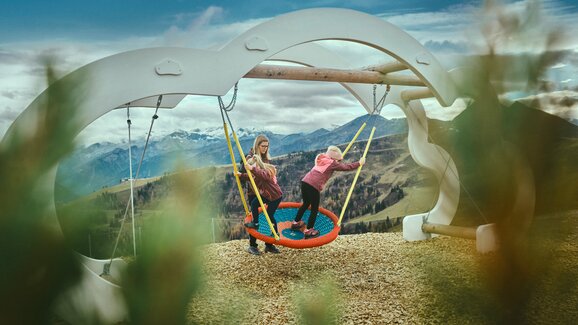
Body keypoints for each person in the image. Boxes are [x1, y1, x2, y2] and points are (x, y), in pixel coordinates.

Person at [291, 145, 365, 238]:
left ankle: (295, 223)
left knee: (306, 203)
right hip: (314, 185)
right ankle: (309, 230)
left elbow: (335, 163)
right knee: (314, 209)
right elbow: (347, 167)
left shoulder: (322, 159)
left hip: (305, 181)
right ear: (334, 158)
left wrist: (338, 160)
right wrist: (359, 163)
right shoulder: (332, 163)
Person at [238, 134, 281, 255]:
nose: (265, 149)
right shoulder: (249, 158)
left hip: (265, 191)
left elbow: (268, 174)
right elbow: (244, 174)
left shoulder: (266, 158)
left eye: (267, 146)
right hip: (254, 191)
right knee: (253, 214)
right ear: (257, 145)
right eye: (263, 146)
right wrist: (242, 175)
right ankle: (252, 245)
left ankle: (269, 244)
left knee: (269, 214)